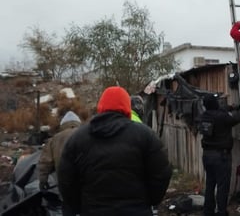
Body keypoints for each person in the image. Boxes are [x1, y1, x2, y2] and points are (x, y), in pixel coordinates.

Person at [57, 86, 172, 216]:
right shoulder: (145, 136)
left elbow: (66, 180)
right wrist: (149, 200)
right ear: (127, 108)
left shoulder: (77, 139)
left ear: (100, 107)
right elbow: (161, 173)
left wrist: (79, 206)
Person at [200, 93, 240, 216]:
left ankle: (208, 212)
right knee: (222, 186)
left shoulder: (204, 116)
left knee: (210, 184)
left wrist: (232, 107)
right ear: (215, 103)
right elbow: (235, 119)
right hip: (221, 157)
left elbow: (220, 111)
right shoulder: (221, 117)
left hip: (207, 156)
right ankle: (221, 212)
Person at [38, 110, 82, 216]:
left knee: (68, 208)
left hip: (65, 183)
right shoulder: (86, 134)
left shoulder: (55, 139)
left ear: (63, 124)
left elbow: (45, 162)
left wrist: (43, 181)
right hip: (85, 182)